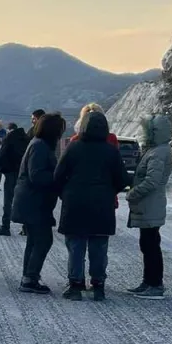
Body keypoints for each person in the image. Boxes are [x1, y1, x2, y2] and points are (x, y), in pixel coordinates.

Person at [55, 112, 130, 301]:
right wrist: (109, 190)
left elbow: (58, 175)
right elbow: (122, 180)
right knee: (98, 246)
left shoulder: (73, 147)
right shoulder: (111, 151)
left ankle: (75, 285)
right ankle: (98, 285)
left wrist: (64, 193)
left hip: (75, 203)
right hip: (102, 204)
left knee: (76, 245)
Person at [11, 113, 66, 294]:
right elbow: (37, 175)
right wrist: (58, 177)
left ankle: (28, 276)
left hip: (30, 200)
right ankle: (30, 278)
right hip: (34, 201)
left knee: (34, 241)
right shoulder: (41, 147)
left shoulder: (37, 144)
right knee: (43, 240)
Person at [126, 114, 172, 300]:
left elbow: (151, 181)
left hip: (150, 204)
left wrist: (133, 193)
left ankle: (155, 284)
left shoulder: (159, 152)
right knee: (147, 244)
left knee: (151, 245)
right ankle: (148, 281)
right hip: (149, 205)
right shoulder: (157, 150)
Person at [0, 123, 29, 236]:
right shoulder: (27, 139)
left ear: (9, 130)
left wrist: (2, 169)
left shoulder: (8, 138)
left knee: (8, 201)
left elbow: (2, 155)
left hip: (11, 173)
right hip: (23, 174)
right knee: (23, 201)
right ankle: (26, 227)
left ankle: (5, 226)